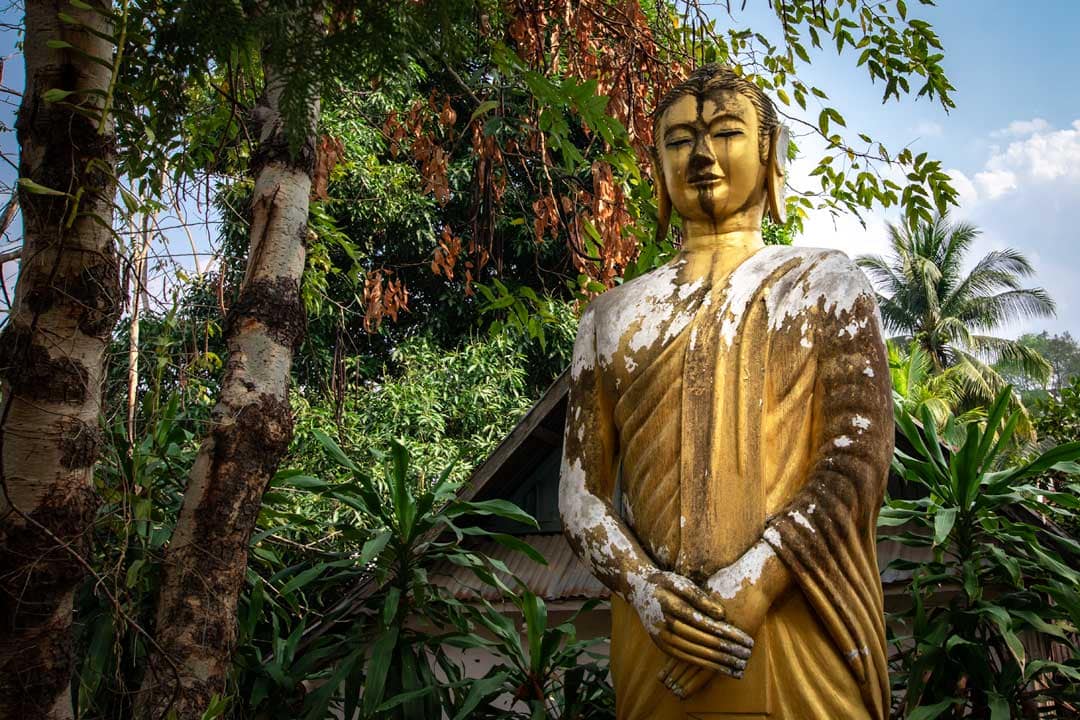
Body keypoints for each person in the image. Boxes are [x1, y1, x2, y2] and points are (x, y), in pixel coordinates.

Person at [558, 64, 893, 719]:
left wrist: (757, 579)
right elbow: (579, 496)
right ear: (656, 164)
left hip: (796, 616)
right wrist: (645, 587)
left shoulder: (824, 282)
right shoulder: (610, 316)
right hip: (664, 637)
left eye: (726, 133)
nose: (703, 154)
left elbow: (857, 457)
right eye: (680, 140)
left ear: (768, 155)